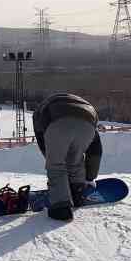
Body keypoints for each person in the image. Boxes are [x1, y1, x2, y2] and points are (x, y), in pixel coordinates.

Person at [32, 93, 102, 221]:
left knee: (56, 165)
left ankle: (61, 208)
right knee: (75, 160)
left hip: (58, 123)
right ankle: (77, 194)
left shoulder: (40, 111)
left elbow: (42, 140)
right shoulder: (82, 107)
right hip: (88, 123)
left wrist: (51, 158)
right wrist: (90, 177)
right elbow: (96, 151)